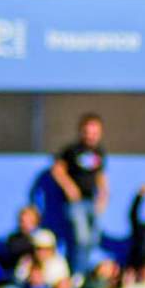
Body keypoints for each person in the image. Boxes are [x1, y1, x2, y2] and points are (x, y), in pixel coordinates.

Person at [50, 112, 108, 274]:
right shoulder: (71, 150)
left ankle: (83, 270)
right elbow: (57, 170)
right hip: (76, 203)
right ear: (81, 131)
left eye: (95, 133)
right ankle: (77, 274)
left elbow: (101, 176)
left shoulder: (99, 152)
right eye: (88, 132)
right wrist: (70, 187)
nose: (91, 136)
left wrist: (103, 195)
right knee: (81, 239)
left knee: (93, 239)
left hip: (92, 201)